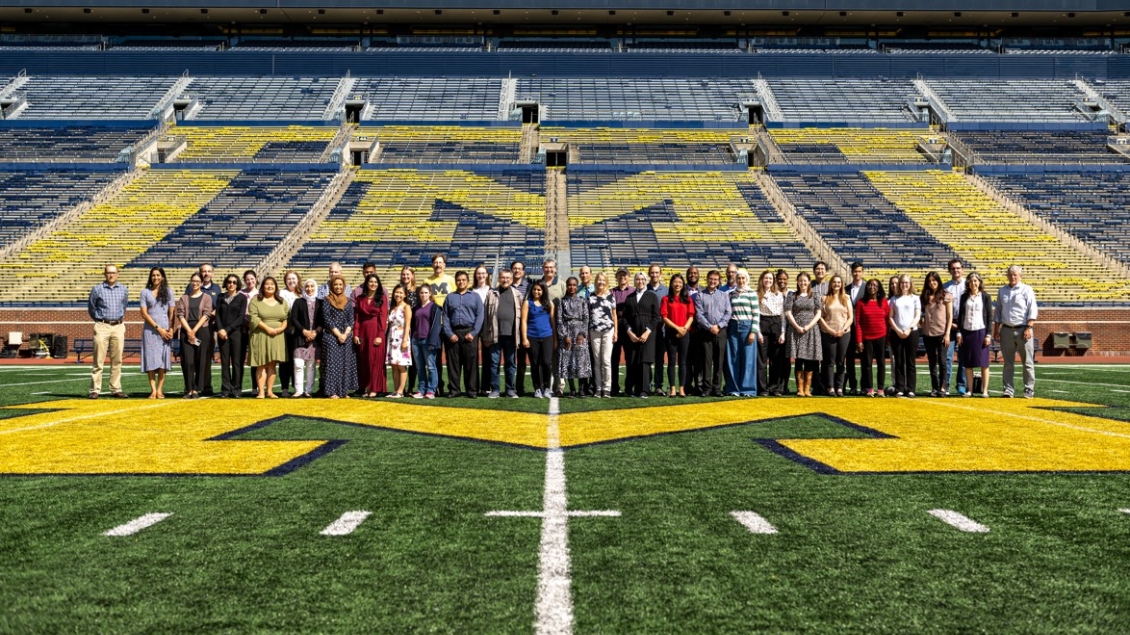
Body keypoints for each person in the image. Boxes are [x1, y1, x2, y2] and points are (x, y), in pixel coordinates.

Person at [993, 265, 1039, 399]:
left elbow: (1032, 309)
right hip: (1006, 329)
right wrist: (997, 330)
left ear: (1020, 276)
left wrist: (1029, 327)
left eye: (1015, 275)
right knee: (1008, 363)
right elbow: (998, 312)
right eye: (1010, 274)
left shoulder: (1027, 289)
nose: (1012, 277)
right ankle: (1008, 389)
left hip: (1023, 329)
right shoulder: (1002, 291)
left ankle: (1029, 389)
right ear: (1007, 275)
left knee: (1028, 362)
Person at [87, 264, 129, 399]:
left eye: (114, 273)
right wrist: (99, 321)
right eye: (109, 273)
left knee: (117, 360)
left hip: (118, 326)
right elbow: (91, 308)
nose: (111, 275)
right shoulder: (97, 289)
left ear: (117, 274)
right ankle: (95, 389)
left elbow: (124, 306)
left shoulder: (123, 289)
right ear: (104, 274)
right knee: (98, 360)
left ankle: (116, 388)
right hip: (102, 325)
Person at [442, 271, 484, 398]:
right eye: (459, 280)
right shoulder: (450, 297)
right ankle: (454, 390)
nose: (461, 282)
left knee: (471, 363)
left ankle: (472, 391)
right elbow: (446, 317)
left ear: (468, 281)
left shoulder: (475, 296)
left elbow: (480, 316)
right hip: (453, 333)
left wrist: (474, 332)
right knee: (453, 364)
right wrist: (449, 333)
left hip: (469, 332)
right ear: (456, 281)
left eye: (463, 280)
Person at [247, 276, 288, 399]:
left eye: (272, 284)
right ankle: (261, 392)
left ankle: (269, 391)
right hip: (261, 335)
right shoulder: (256, 300)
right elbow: (253, 318)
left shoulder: (282, 301)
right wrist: (268, 328)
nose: (270, 286)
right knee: (261, 364)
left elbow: (285, 318)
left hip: (277, 336)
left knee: (272, 364)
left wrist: (280, 329)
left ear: (276, 287)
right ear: (262, 286)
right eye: (267, 284)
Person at [693, 270, 731, 398]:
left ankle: (717, 388)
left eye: (715, 279)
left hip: (721, 332)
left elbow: (728, 313)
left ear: (719, 281)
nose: (713, 281)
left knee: (719, 361)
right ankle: (707, 388)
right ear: (707, 279)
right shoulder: (700, 295)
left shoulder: (724, 295)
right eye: (710, 279)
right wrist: (710, 327)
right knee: (706, 362)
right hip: (706, 332)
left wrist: (718, 326)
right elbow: (699, 315)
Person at [623, 272, 661, 399]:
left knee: (645, 361)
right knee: (633, 361)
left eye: (642, 279)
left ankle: (644, 390)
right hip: (632, 335)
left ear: (646, 281)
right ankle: (630, 388)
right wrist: (629, 332)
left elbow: (656, 317)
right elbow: (624, 318)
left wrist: (647, 331)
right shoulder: (629, 298)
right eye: (637, 279)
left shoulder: (652, 296)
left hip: (648, 334)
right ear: (634, 281)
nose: (640, 281)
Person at [176, 272, 214, 399]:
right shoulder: (184, 298)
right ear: (190, 282)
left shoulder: (207, 297)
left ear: (202, 283)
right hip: (186, 331)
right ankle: (189, 389)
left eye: (198, 281)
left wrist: (194, 331)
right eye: (193, 281)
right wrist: (189, 331)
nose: (195, 283)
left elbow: (206, 314)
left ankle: (197, 389)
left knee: (200, 360)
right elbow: (180, 314)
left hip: (201, 330)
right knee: (188, 361)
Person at [140, 267, 175, 400]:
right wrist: (157, 328)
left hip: (165, 329)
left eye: (158, 275)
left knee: (162, 360)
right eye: (153, 275)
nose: (155, 277)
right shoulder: (145, 292)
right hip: (150, 330)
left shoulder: (169, 292)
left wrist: (171, 328)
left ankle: (160, 390)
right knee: (151, 359)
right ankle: (153, 390)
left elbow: (172, 312)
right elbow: (144, 313)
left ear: (162, 277)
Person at [320, 275, 357, 399]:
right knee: (332, 364)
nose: (338, 287)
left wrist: (345, 334)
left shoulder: (347, 301)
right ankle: (332, 392)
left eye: (340, 284)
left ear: (344, 286)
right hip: (331, 336)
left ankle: (344, 391)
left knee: (345, 364)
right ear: (331, 286)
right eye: (335, 284)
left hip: (345, 336)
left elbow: (351, 320)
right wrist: (338, 334)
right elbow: (327, 319)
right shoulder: (326, 300)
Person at [785, 272, 822, 397]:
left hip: (811, 329)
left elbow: (818, 313)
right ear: (797, 281)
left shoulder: (815, 295)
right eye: (800, 280)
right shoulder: (791, 295)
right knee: (799, 360)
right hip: (796, 329)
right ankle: (800, 389)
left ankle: (807, 388)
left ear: (809, 282)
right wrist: (797, 326)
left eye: (805, 280)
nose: (802, 283)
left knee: (810, 359)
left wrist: (808, 326)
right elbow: (788, 312)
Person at [957, 272, 993, 398]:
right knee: (968, 363)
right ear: (968, 283)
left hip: (981, 331)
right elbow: (961, 315)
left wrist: (988, 334)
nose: (973, 283)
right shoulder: (964, 297)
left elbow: (989, 316)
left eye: (976, 280)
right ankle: (969, 390)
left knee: (984, 363)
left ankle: (985, 390)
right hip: (967, 332)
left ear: (979, 282)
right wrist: (959, 332)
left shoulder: (985, 297)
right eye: (971, 281)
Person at [724, 269, 759, 398]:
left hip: (747, 327)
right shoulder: (731, 294)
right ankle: (733, 388)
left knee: (748, 359)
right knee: (733, 358)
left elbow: (756, 314)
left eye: (743, 278)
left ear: (747, 279)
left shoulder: (751, 293)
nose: (741, 281)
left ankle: (748, 389)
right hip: (733, 327)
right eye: (739, 278)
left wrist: (753, 332)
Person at [488, 270, 523, 398]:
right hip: (495, 335)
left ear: (512, 279)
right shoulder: (491, 294)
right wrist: (487, 335)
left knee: (510, 364)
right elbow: (487, 316)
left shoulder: (517, 294)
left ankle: (510, 389)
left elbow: (521, 316)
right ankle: (495, 390)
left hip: (512, 335)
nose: (505, 280)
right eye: (502, 277)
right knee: (494, 363)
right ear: (499, 278)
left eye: (508, 278)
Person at [818, 274, 854, 397]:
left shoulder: (847, 298)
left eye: (839, 282)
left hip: (844, 333)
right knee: (829, 361)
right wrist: (829, 330)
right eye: (834, 282)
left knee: (840, 361)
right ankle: (830, 387)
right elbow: (820, 317)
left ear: (842, 284)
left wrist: (843, 330)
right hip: (828, 333)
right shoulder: (825, 298)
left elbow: (850, 317)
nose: (837, 284)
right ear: (831, 284)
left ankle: (839, 387)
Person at [661, 273, 696, 398]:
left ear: (683, 285)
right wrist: (677, 328)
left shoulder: (687, 299)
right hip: (671, 333)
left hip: (684, 333)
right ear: (671, 284)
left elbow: (691, 316)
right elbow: (664, 317)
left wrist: (684, 329)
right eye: (675, 282)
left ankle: (681, 389)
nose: (678, 284)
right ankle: (672, 389)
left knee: (682, 362)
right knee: (671, 361)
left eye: (680, 282)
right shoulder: (666, 299)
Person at [353, 274, 388, 398]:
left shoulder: (382, 298)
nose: (373, 284)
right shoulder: (359, 299)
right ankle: (367, 387)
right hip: (363, 331)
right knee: (364, 361)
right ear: (366, 283)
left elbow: (383, 318)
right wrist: (355, 333)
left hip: (376, 331)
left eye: (375, 282)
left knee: (375, 361)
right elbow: (357, 318)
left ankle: (375, 388)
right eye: (371, 282)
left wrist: (380, 335)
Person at [919, 271, 954, 397]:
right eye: (929, 281)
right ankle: (934, 387)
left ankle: (943, 387)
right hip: (928, 334)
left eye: (934, 280)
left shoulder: (946, 295)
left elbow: (949, 316)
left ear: (938, 281)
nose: (932, 283)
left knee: (943, 361)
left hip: (941, 333)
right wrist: (921, 323)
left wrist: (947, 333)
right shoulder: (924, 296)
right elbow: (920, 314)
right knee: (932, 362)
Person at [557, 277, 592, 398]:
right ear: (566, 286)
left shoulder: (582, 301)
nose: (572, 287)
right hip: (567, 333)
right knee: (568, 361)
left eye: (574, 285)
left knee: (581, 361)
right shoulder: (562, 301)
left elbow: (586, 318)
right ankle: (572, 389)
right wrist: (564, 336)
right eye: (569, 285)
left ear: (577, 287)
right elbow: (559, 320)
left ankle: (582, 389)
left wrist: (582, 334)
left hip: (580, 334)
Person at [854, 279, 889, 397]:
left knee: (881, 363)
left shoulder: (884, 302)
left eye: (874, 285)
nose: (872, 287)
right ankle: (869, 388)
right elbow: (858, 323)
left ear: (879, 288)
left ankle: (880, 389)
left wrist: (887, 339)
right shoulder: (861, 303)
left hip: (881, 336)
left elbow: (887, 320)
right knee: (867, 364)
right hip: (866, 338)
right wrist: (859, 340)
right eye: (869, 285)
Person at [888, 274, 921, 397]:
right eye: (902, 282)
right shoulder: (894, 299)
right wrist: (897, 330)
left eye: (906, 282)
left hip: (911, 332)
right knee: (899, 362)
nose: (904, 285)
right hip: (897, 333)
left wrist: (909, 328)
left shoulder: (915, 298)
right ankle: (900, 388)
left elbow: (917, 316)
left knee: (910, 362)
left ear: (910, 283)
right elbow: (891, 316)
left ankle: (911, 388)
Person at [216, 274, 248, 398]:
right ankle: (225, 389)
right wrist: (220, 330)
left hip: (236, 333)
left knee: (236, 362)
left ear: (237, 284)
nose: (231, 284)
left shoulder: (242, 298)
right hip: (222, 333)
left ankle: (236, 389)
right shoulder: (220, 297)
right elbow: (218, 315)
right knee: (225, 362)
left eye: (234, 282)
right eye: (229, 282)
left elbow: (241, 317)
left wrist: (227, 330)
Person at [756, 270, 787, 397]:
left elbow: (783, 315)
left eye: (770, 278)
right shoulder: (757, 294)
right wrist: (758, 332)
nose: (768, 281)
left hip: (777, 324)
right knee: (762, 359)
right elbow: (756, 315)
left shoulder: (779, 294)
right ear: (762, 280)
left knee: (777, 359)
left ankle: (776, 388)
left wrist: (783, 332)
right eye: (766, 278)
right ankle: (762, 388)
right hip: (763, 323)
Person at [522, 281, 555, 399]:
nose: (536, 292)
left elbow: (553, 323)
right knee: (535, 364)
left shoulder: (549, 304)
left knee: (547, 363)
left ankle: (547, 388)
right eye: (534, 289)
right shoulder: (527, 303)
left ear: (543, 291)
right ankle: (537, 388)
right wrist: (524, 338)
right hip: (532, 337)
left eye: (539, 290)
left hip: (547, 336)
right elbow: (524, 321)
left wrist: (555, 340)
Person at [588, 272, 618, 399]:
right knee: (597, 361)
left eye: (603, 280)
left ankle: (606, 388)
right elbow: (588, 315)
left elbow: (614, 315)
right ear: (596, 281)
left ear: (606, 281)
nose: (601, 282)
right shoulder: (590, 296)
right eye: (599, 280)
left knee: (606, 361)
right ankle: (598, 388)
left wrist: (616, 331)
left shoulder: (611, 297)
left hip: (608, 331)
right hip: (594, 331)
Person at [192, 263, 220, 396]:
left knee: (207, 357)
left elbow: (219, 306)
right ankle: (194, 386)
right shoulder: (193, 286)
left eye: (209, 271)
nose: (206, 274)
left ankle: (206, 386)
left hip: (210, 328)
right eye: (204, 271)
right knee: (195, 356)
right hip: (195, 328)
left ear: (212, 273)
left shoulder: (217, 289)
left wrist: (209, 314)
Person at [289, 279, 320, 398]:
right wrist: (304, 331)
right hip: (299, 338)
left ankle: (309, 390)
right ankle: (298, 390)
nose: (310, 289)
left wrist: (315, 332)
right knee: (298, 364)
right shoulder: (298, 302)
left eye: (312, 286)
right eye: (307, 286)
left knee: (311, 366)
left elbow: (322, 321)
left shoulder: (320, 302)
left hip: (314, 339)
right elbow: (294, 318)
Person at [943, 259, 968, 396]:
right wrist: (950, 323)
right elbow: (942, 308)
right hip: (949, 325)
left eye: (958, 268)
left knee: (963, 357)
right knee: (947, 356)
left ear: (962, 269)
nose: (956, 270)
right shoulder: (945, 287)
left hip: (965, 325)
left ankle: (961, 385)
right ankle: (945, 385)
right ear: (949, 270)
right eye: (953, 268)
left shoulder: (969, 285)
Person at [610, 268, 634, 397]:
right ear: (616, 277)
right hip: (615, 329)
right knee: (614, 359)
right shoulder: (611, 292)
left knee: (630, 359)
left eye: (624, 275)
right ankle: (614, 387)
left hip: (629, 330)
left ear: (628, 277)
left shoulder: (633, 291)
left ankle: (629, 387)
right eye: (620, 275)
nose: (622, 277)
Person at [386, 284, 413, 398]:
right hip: (392, 338)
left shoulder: (406, 307)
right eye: (396, 292)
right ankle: (396, 390)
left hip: (401, 337)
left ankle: (401, 391)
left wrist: (404, 341)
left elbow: (407, 325)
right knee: (394, 365)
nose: (398, 295)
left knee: (401, 365)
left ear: (405, 294)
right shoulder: (392, 307)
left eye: (401, 293)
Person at [277, 270, 302, 397]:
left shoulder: (302, 294)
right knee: (285, 360)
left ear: (298, 280)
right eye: (289, 279)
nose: (291, 281)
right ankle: (284, 388)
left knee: (297, 360)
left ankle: (297, 387)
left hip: (298, 331)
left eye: (293, 278)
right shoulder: (282, 293)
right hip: (285, 330)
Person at [646, 264, 669, 395]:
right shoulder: (645, 289)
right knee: (648, 358)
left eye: (656, 272)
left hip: (662, 330)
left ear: (660, 274)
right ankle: (647, 384)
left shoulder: (665, 291)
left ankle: (658, 385)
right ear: (649, 274)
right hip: (648, 330)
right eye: (652, 272)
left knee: (659, 359)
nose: (654, 275)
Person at [473, 265, 494, 396]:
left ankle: (486, 386)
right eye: (478, 273)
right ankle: (473, 386)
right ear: (475, 275)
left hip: (487, 326)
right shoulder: (471, 291)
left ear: (487, 275)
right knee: (472, 357)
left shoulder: (492, 291)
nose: (481, 276)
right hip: (474, 326)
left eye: (483, 273)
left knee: (488, 357)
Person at [844, 262, 865, 395]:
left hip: (864, 329)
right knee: (850, 360)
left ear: (863, 272)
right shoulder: (845, 289)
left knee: (865, 360)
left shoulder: (868, 287)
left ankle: (864, 386)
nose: (857, 273)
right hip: (850, 329)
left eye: (859, 271)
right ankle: (852, 386)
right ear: (851, 272)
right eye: (855, 271)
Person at [399, 265, 420, 394]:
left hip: (415, 328)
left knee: (414, 359)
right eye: (404, 274)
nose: (405, 277)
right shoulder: (399, 290)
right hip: (400, 329)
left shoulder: (417, 291)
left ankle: (411, 386)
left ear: (412, 276)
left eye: (408, 274)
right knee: (400, 358)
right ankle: (401, 387)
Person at [511, 261, 530, 396]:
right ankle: (510, 387)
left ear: (523, 271)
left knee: (523, 359)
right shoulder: (505, 285)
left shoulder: (529, 286)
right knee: (510, 359)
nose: (517, 271)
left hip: (525, 327)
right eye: (514, 268)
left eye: (519, 269)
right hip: (510, 327)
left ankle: (520, 386)